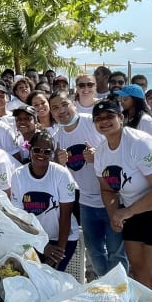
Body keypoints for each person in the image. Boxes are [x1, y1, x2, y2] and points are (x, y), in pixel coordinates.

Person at [92, 99, 152, 300]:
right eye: (98, 118)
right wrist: (114, 215)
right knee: (139, 273)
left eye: (109, 116)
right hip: (135, 209)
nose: (104, 121)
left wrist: (127, 212)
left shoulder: (139, 143)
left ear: (121, 118)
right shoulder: (101, 152)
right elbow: (107, 190)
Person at [49, 92, 126, 277]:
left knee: (117, 252)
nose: (61, 111)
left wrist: (97, 156)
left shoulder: (92, 123)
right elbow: (60, 176)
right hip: (86, 202)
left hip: (113, 197)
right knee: (95, 252)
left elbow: (119, 150)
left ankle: (121, 291)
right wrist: (59, 164)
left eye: (64, 104)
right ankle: (105, 286)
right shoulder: (56, 137)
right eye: (55, 108)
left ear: (74, 103)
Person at [10, 130, 79, 271]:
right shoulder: (18, 175)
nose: (41, 154)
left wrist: (58, 252)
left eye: (47, 152)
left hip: (62, 238)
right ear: (29, 150)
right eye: (36, 150)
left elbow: (66, 216)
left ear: (52, 154)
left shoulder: (61, 174)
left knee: (52, 277)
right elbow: (20, 217)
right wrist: (41, 245)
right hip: (33, 237)